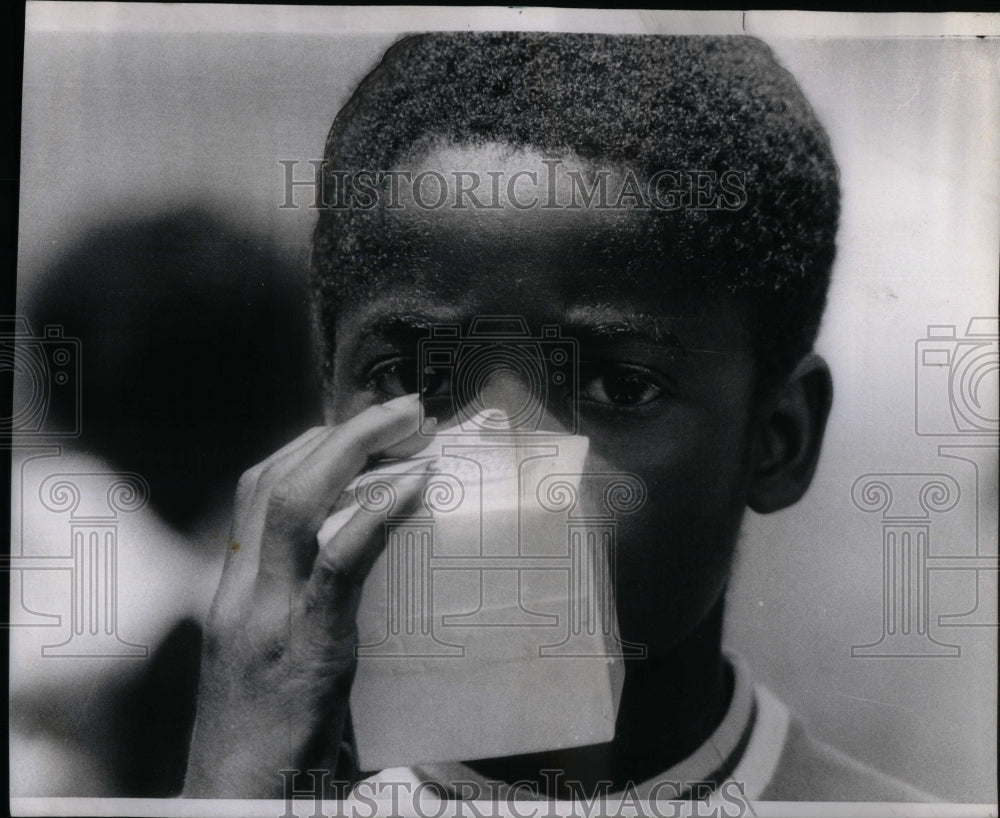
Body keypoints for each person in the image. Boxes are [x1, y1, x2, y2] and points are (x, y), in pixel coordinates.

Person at [183, 33, 931, 803]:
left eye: (619, 385)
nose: (497, 468)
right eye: (410, 375)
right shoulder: (248, 793)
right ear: (329, 399)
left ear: (779, 441)